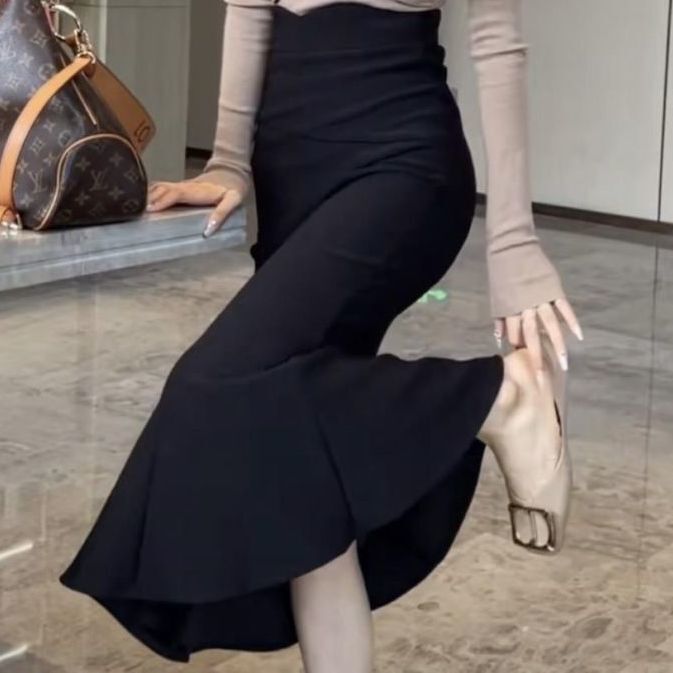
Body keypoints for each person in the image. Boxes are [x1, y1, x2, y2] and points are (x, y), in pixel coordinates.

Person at [60, 0, 583, 670]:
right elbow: (249, 6)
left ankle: (497, 397)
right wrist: (229, 160)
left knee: (210, 382)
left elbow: (496, 42)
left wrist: (512, 241)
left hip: (400, 161)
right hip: (291, 169)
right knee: (300, 460)